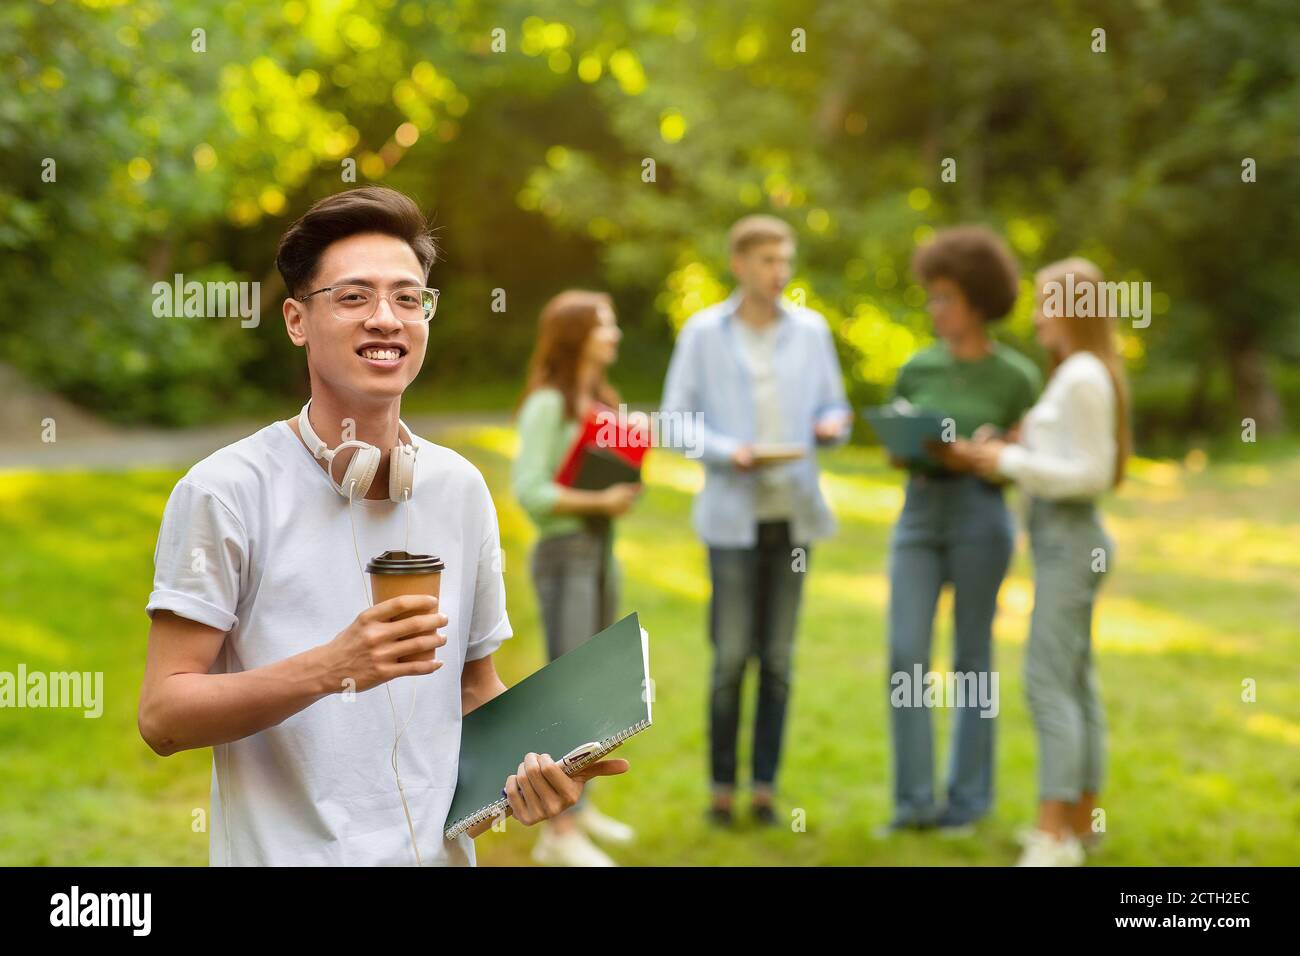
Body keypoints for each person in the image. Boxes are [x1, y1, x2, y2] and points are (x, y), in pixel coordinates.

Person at [137, 186, 629, 866]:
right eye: (353, 297)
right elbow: (163, 715)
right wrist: (332, 668)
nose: (386, 319)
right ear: (296, 320)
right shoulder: (225, 491)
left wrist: (535, 768)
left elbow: (473, 685)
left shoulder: (459, 489)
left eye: (407, 297)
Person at [661, 214, 852, 827]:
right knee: (729, 659)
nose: (780, 272)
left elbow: (836, 407)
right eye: (769, 261)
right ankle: (721, 789)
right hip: (732, 517)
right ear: (740, 264)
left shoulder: (812, 331)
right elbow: (675, 421)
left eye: (786, 260)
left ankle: (765, 789)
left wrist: (831, 426)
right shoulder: (703, 333)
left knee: (777, 660)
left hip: (792, 517)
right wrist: (725, 451)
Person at [948, 257, 1130, 866]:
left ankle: (1053, 836)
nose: (1036, 315)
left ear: (1076, 310)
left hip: (1071, 543)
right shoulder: (1076, 373)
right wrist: (1008, 446)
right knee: (1077, 684)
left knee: (1048, 683)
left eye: (1047, 302)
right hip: (1065, 540)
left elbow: (1094, 473)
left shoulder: (1082, 374)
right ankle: (1081, 821)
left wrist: (1007, 464)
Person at [882, 225, 1041, 836]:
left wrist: (992, 448)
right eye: (933, 296)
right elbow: (895, 442)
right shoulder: (916, 366)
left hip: (981, 513)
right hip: (919, 512)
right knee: (905, 655)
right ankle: (913, 803)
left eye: (945, 296)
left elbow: (1028, 450)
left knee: (973, 658)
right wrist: (912, 444)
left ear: (978, 301)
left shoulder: (1017, 377)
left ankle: (967, 803)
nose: (935, 308)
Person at [511, 289, 641, 866]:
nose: (614, 334)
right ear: (576, 335)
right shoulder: (548, 406)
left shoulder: (604, 401)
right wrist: (599, 498)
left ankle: (579, 813)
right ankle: (556, 834)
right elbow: (530, 490)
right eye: (604, 324)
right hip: (564, 552)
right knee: (565, 695)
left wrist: (619, 490)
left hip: (599, 550)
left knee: (591, 691)